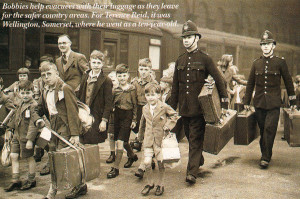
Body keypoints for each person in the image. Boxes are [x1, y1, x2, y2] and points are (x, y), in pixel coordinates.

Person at [168, 20, 228, 184]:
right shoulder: (180, 60)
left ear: (197, 38)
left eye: (189, 37)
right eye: (184, 37)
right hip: (184, 109)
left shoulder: (205, 59)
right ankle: (198, 159)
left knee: (194, 139)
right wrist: (170, 109)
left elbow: (220, 80)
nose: (186, 40)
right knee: (189, 136)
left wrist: (224, 103)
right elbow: (175, 88)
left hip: (200, 109)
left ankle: (191, 172)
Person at [244, 30, 296, 169]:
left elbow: (288, 81)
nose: (266, 46)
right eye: (263, 44)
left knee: (269, 129)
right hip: (259, 103)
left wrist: (293, 101)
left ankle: (266, 157)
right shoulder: (256, 63)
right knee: (263, 130)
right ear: (261, 47)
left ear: (273, 46)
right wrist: (246, 102)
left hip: (273, 103)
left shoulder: (280, 63)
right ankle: (265, 153)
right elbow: (250, 84)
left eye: (268, 44)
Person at [33, 62, 83, 199]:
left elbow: (73, 112)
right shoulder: (45, 91)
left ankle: (58, 190)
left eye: (49, 74)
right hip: (52, 126)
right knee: (53, 157)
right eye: (43, 76)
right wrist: (38, 119)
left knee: (63, 158)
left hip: (65, 126)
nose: (46, 78)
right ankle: (78, 185)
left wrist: (75, 134)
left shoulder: (65, 88)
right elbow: (38, 109)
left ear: (57, 73)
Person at [138, 83, 179, 196]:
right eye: (148, 95)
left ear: (159, 95)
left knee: (161, 163)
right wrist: (140, 136)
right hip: (148, 140)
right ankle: (150, 183)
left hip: (160, 140)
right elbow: (143, 122)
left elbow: (174, 115)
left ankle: (160, 185)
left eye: (153, 94)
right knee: (147, 162)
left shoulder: (163, 106)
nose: (150, 97)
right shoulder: (144, 108)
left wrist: (167, 126)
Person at [4, 80, 41, 192]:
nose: (25, 96)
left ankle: (31, 179)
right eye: (23, 93)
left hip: (26, 137)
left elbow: (33, 124)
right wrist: (10, 129)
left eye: (27, 93)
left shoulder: (33, 105)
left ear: (32, 93)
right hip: (17, 135)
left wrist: (30, 140)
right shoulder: (20, 103)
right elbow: (15, 118)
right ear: (19, 93)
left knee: (29, 157)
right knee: (13, 156)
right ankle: (16, 180)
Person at [107, 64, 138, 178]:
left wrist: (134, 119)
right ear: (116, 77)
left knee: (120, 141)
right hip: (117, 116)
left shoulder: (132, 89)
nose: (122, 78)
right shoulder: (115, 90)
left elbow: (135, 105)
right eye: (119, 76)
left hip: (128, 116)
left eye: (124, 75)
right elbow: (111, 103)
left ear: (128, 76)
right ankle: (132, 156)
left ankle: (115, 168)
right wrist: (112, 109)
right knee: (123, 141)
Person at [77, 50, 113, 145]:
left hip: (97, 115)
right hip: (84, 114)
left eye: (98, 63)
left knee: (93, 142)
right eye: (94, 62)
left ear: (102, 64)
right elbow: (80, 95)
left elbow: (108, 103)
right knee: (83, 140)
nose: (96, 65)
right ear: (90, 63)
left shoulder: (106, 80)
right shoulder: (85, 76)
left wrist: (104, 121)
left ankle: (93, 160)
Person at [131, 58, 158, 151]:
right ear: (138, 70)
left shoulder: (153, 83)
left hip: (149, 108)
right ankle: (138, 141)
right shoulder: (135, 82)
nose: (143, 72)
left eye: (146, 70)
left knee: (148, 129)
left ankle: (149, 148)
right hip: (137, 107)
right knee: (137, 127)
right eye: (141, 69)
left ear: (150, 70)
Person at [106, 71, 119, 163]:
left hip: (121, 114)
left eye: (113, 80)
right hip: (111, 115)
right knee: (111, 134)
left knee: (120, 137)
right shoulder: (108, 90)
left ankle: (123, 153)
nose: (112, 82)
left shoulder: (121, 90)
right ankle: (112, 153)